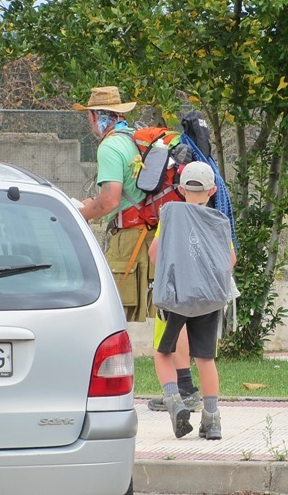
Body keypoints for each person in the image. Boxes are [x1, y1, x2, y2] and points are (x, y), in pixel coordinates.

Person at [74, 85, 201, 410]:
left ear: (94, 117)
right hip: (159, 231)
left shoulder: (110, 147)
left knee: (105, 308)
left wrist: (79, 214)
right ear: (120, 113)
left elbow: (111, 199)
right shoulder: (135, 141)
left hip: (133, 238)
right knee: (169, 309)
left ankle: (98, 386)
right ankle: (186, 389)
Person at [149, 161, 236, 440]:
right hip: (209, 299)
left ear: (181, 189)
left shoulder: (171, 215)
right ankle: (212, 421)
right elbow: (230, 260)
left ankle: (175, 404)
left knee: (163, 353)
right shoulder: (218, 220)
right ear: (212, 190)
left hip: (177, 297)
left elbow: (154, 253)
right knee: (205, 358)